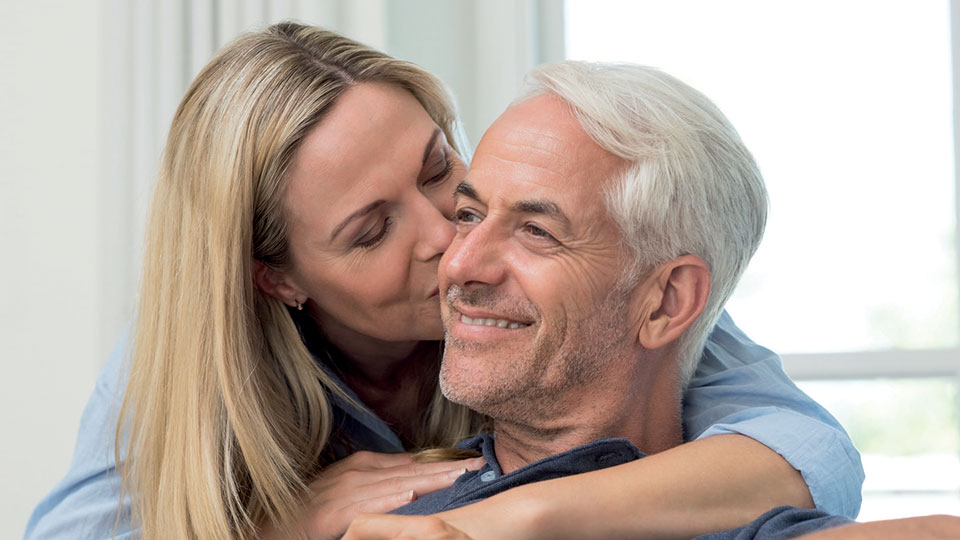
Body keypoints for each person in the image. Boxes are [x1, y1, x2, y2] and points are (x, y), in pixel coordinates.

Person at [24, 23, 861, 540]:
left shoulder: (602, 305)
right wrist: (283, 528)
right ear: (274, 278)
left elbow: (811, 456)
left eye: (436, 168)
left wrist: (503, 519)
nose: (451, 242)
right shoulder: (188, 362)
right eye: (372, 230)